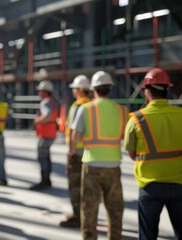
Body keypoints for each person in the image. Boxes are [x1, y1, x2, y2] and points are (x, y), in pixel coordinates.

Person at [123, 68, 182, 239]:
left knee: (147, 236)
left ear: (147, 91)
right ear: (167, 89)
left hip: (150, 187)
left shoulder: (136, 120)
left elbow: (132, 154)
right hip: (179, 183)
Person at [69, 71, 126, 240]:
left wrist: (74, 150)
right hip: (114, 165)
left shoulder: (85, 109)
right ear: (110, 88)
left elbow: (75, 138)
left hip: (91, 165)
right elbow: (125, 136)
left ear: (93, 89)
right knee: (115, 210)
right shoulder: (122, 110)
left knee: (89, 210)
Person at [60, 75, 91, 228]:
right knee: (86, 187)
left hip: (77, 153)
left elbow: (74, 131)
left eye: (74, 88)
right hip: (90, 152)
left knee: (75, 186)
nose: (73, 91)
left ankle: (78, 217)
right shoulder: (92, 104)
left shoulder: (78, 106)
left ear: (79, 90)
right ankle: (84, 215)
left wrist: (71, 151)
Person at [29, 80, 58, 190]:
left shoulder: (45, 102)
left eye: (40, 91)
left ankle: (44, 181)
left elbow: (48, 115)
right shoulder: (51, 101)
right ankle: (47, 180)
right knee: (46, 157)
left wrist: (38, 120)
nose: (38, 93)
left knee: (43, 158)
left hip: (46, 135)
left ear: (45, 92)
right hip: (50, 134)